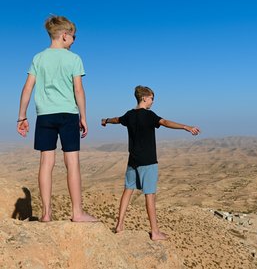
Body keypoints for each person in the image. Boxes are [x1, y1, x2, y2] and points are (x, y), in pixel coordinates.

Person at [17, 15, 98, 222]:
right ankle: (77, 213)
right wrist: (84, 116)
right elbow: (78, 90)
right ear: (64, 35)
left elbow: (27, 88)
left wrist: (21, 116)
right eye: (74, 37)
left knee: (46, 162)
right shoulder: (74, 59)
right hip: (68, 114)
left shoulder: (38, 58)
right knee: (72, 163)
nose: (74, 40)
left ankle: (46, 213)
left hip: (44, 115)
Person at [101, 85, 200, 240]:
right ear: (144, 98)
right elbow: (165, 122)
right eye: (152, 99)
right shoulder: (149, 115)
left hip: (132, 160)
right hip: (148, 161)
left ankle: (119, 225)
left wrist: (105, 120)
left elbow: (116, 120)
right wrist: (185, 127)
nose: (153, 102)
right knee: (150, 196)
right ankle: (155, 232)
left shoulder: (129, 115)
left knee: (128, 190)